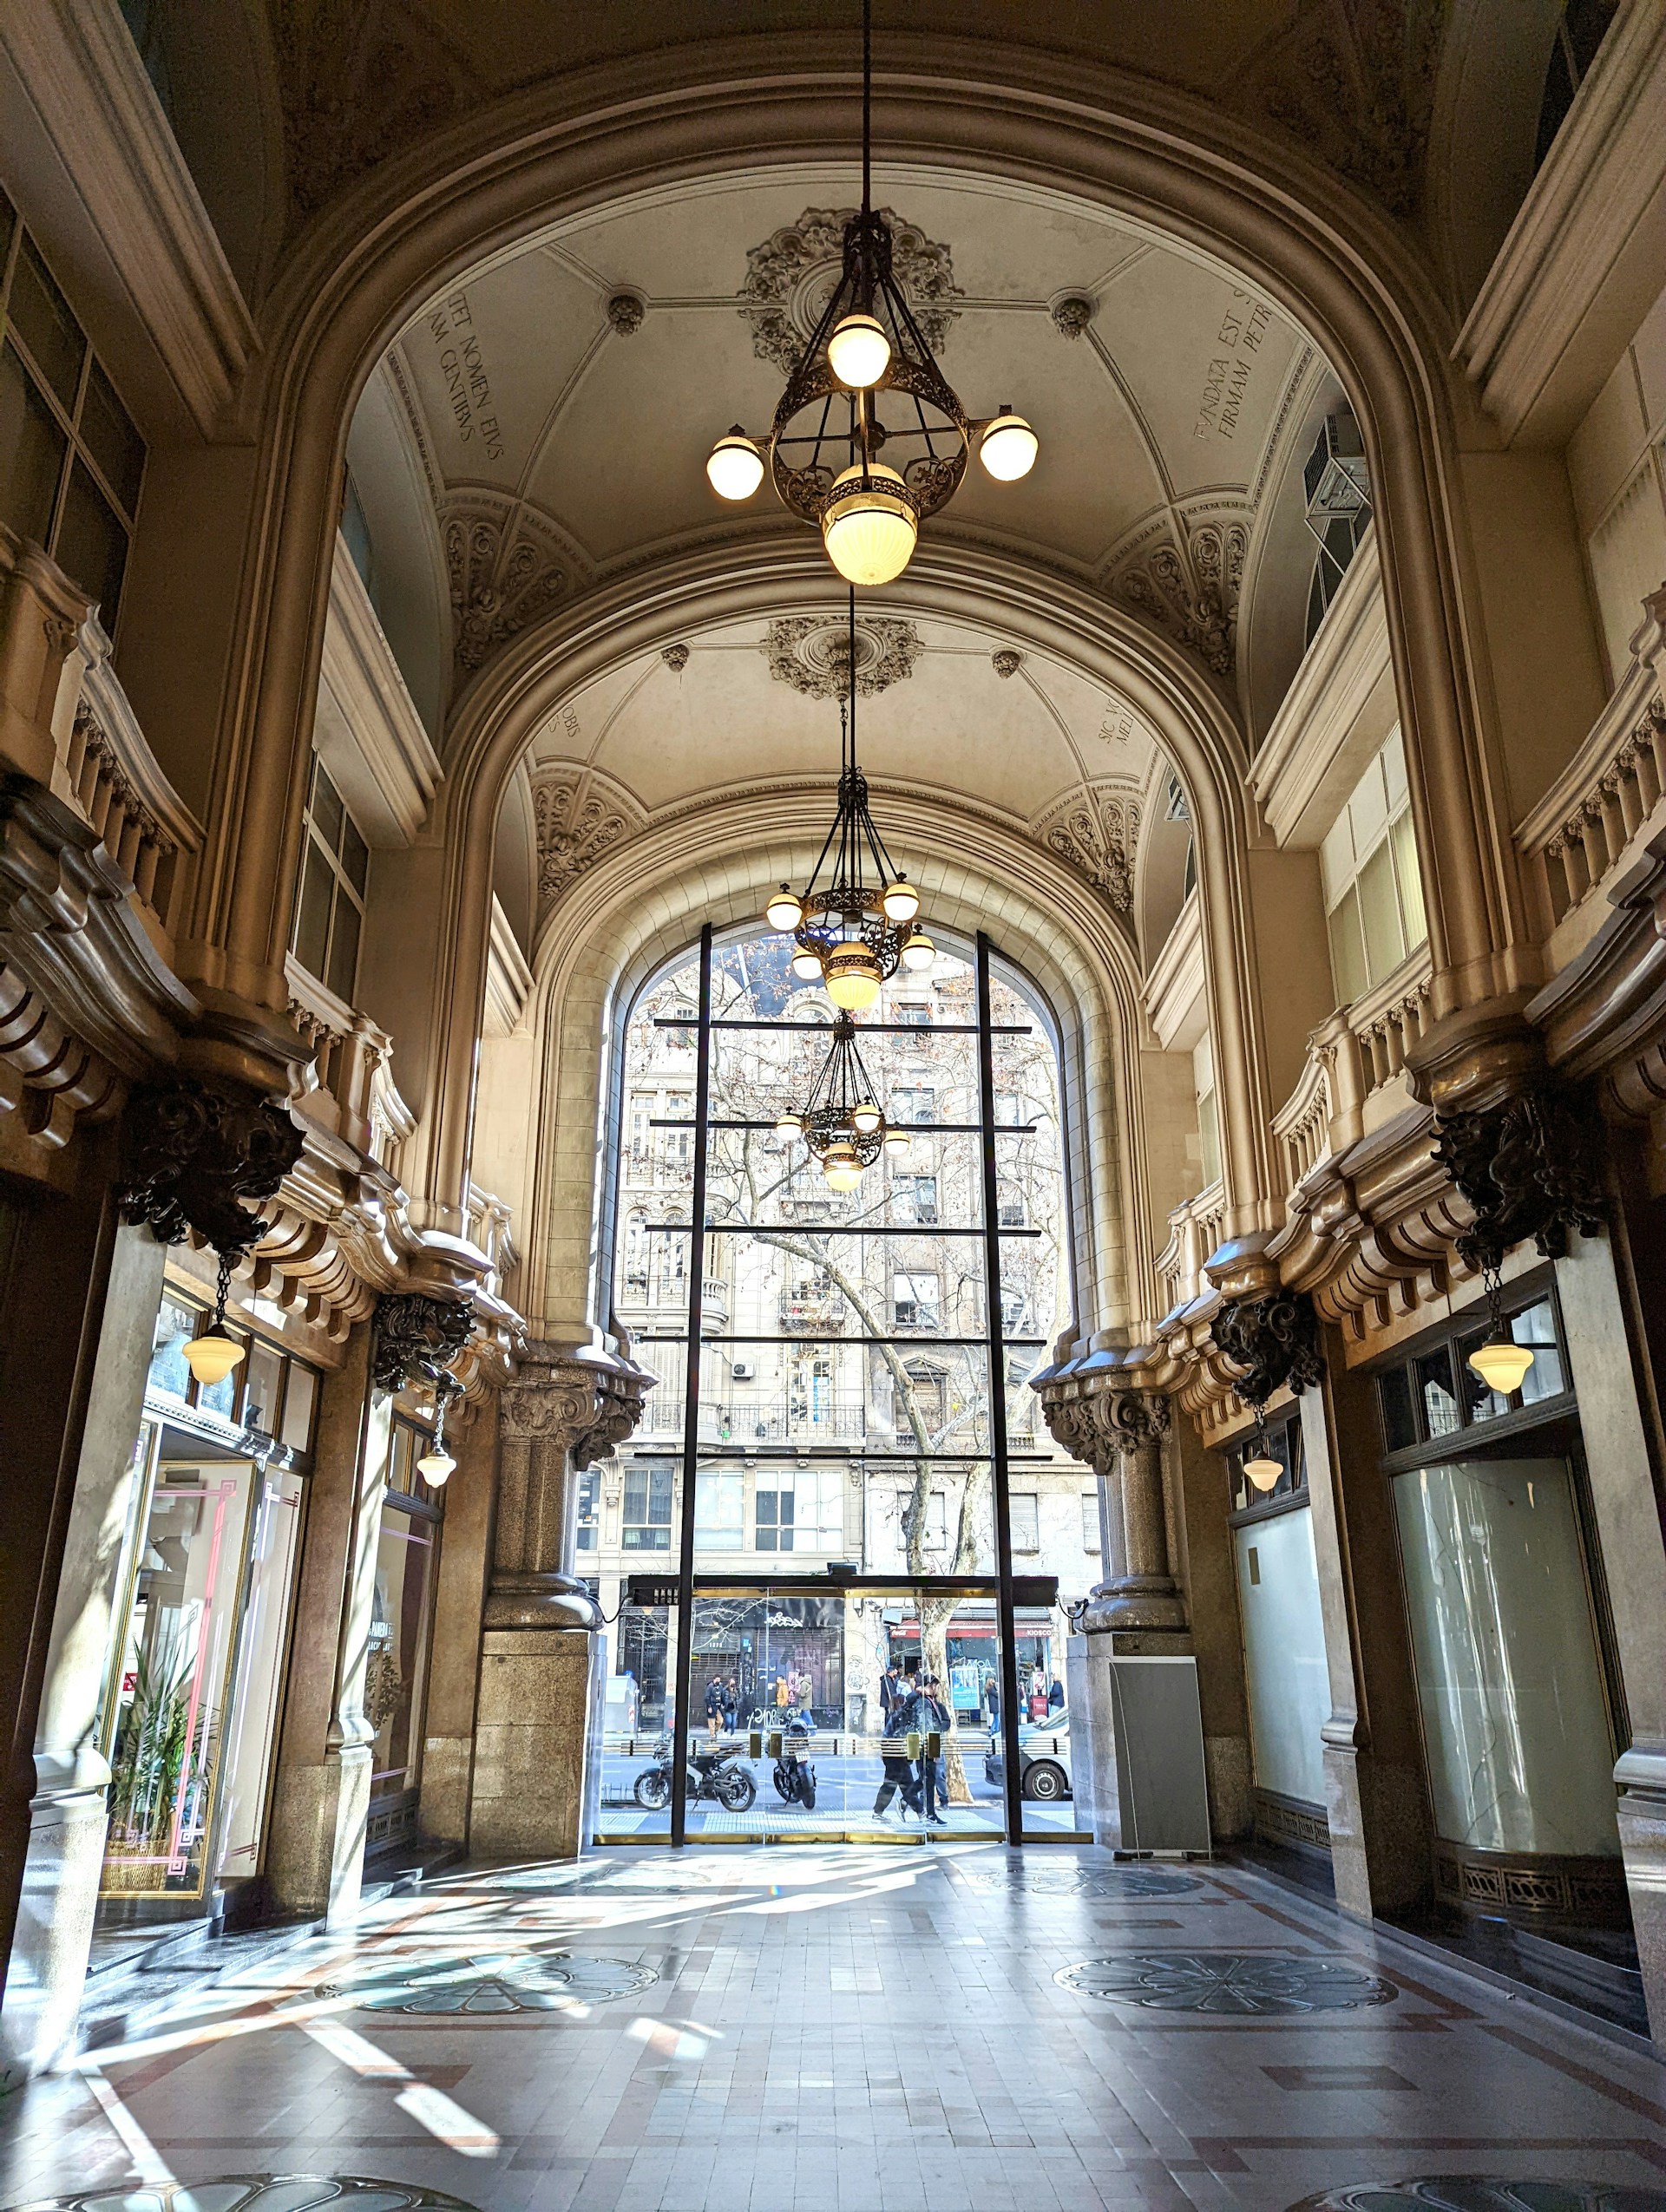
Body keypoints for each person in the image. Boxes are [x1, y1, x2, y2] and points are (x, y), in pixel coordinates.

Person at [704, 1674, 725, 1738]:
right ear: (714, 1680)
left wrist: (723, 1703)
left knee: (720, 1721)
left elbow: (722, 1695)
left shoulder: (720, 1686)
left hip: (718, 1706)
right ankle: (712, 1734)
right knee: (711, 1722)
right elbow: (707, 1697)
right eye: (717, 1680)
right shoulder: (710, 1687)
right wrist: (709, 1706)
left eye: (719, 1680)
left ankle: (715, 1731)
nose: (718, 1681)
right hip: (712, 1705)